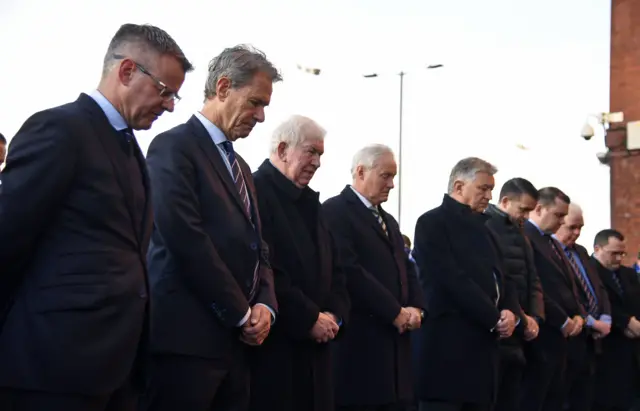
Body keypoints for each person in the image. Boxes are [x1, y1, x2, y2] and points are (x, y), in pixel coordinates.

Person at [0, 23, 192, 411]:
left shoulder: (130, 148)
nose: (170, 105)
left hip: (116, 370)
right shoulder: (59, 130)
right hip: (51, 369)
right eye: (164, 91)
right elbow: (7, 238)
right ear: (126, 72)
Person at [142, 45, 280, 411]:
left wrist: (266, 304)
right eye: (255, 102)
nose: (262, 116)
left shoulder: (243, 171)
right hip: (185, 348)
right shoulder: (172, 148)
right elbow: (185, 238)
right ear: (222, 88)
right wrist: (241, 311)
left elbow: (257, 246)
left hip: (236, 349)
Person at [248, 115, 350, 411]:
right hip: (276, 354)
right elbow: (265, 270)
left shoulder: (312, 204)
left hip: (318, 353)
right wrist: (308, 319)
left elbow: (337, 270)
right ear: (282, 150)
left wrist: (334, 316)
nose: (317, 162)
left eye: (320, 154)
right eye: (311, 151)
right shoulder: (256, 194)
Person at [412, 157, 520, 411]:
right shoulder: (431, 223)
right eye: (483, 188)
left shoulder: (486, 230)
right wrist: (494, 317)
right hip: (447, 352)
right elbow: (451, 279)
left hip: (483, 352)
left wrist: (510, 311)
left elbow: (505, 278)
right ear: (459, 187)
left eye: (491, 189)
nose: (489, 196)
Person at [323, 144, 425, 411]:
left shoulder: (389, 221)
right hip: (360, 348)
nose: (392, 184)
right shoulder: (335, 212)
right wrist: (394, 311)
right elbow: (350, 270)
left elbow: (407, 266)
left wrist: (416, 306)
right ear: (360, 172)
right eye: (385, 176)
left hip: (395, 353)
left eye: (394, 177)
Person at [521, 187, 585, 411]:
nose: (561, 222)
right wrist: (563, 320)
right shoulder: (526, 237)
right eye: (558, 215)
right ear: (539, 208)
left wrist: (577, 315)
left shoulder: (552, 243)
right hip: (543, 335)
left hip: (561, 339)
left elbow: (570, 285)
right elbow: (536, 286)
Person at [484, 177, 544, 411]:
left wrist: (536, 318)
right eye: (524, 210)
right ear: (506, 201)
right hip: (502, 329)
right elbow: (500, 281)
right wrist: (520, 317)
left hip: (522, 333)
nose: (527, 217)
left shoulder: (521, 234)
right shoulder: (487, 227)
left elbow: (532, 278)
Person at [553, 204, 611, 411]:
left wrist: (605, 317)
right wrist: (589, 320)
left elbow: (597, 287)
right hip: (567, 337)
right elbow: (560, 295)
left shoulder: (581, 251)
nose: (577, 233)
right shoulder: (550, 254)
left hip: (591, 342)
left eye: (581, 227)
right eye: (572, 227)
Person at [590, 230, 640, 411]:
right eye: (614, 253)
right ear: (598, 248)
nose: (619, 258)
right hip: (605, 350)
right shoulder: (589, 271)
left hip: (631, 351)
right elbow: (597, 302)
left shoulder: (628, 275)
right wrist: (625, 321)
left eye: (622, 253)